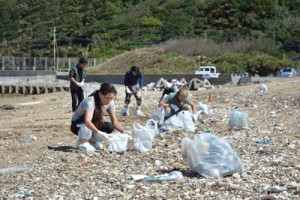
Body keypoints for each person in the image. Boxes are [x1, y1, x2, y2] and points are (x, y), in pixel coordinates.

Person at [71, 83, 131, 151]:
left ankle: (92, 141)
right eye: (107, 98)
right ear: (100, 94)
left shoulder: (110, 103)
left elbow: (114, 121)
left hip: (92, 123)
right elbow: (87, 121)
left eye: (111, 98)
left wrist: (123, 131)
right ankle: (83, 141)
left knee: (109, 127)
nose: (109, 100)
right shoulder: (90, 101)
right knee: (90, 118)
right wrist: (98, 132)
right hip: (78, 125)